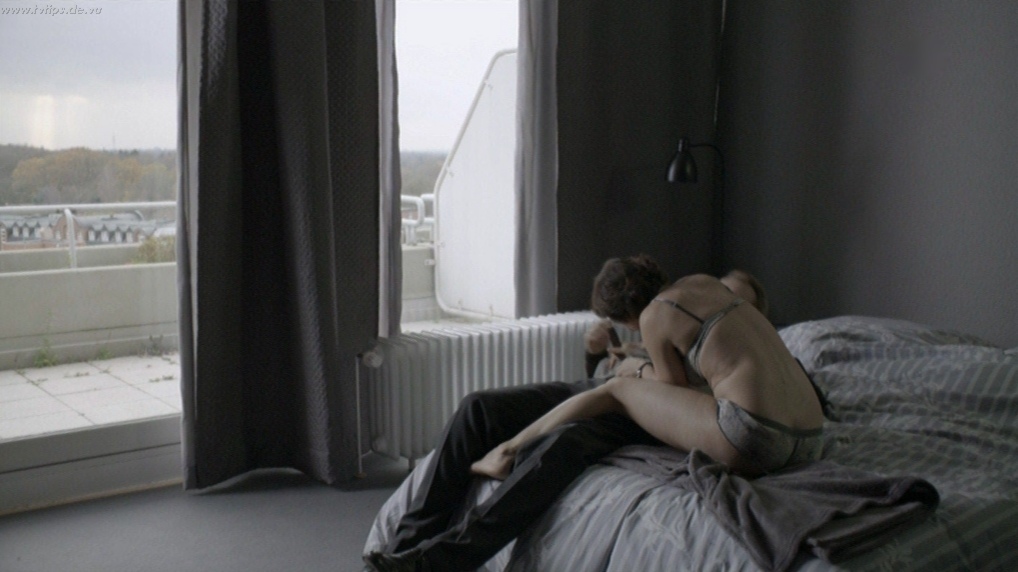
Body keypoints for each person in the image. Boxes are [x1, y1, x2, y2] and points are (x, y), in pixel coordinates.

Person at [364, 258, 813, 572]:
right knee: (478, 408)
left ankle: (446, 550)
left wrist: (636, 368)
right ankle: (404, 548)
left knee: (580, 427)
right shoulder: (698, 299)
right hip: (787, 431)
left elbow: (668, 391)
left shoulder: (675, 316)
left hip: (718, 422)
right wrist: (623, 358)